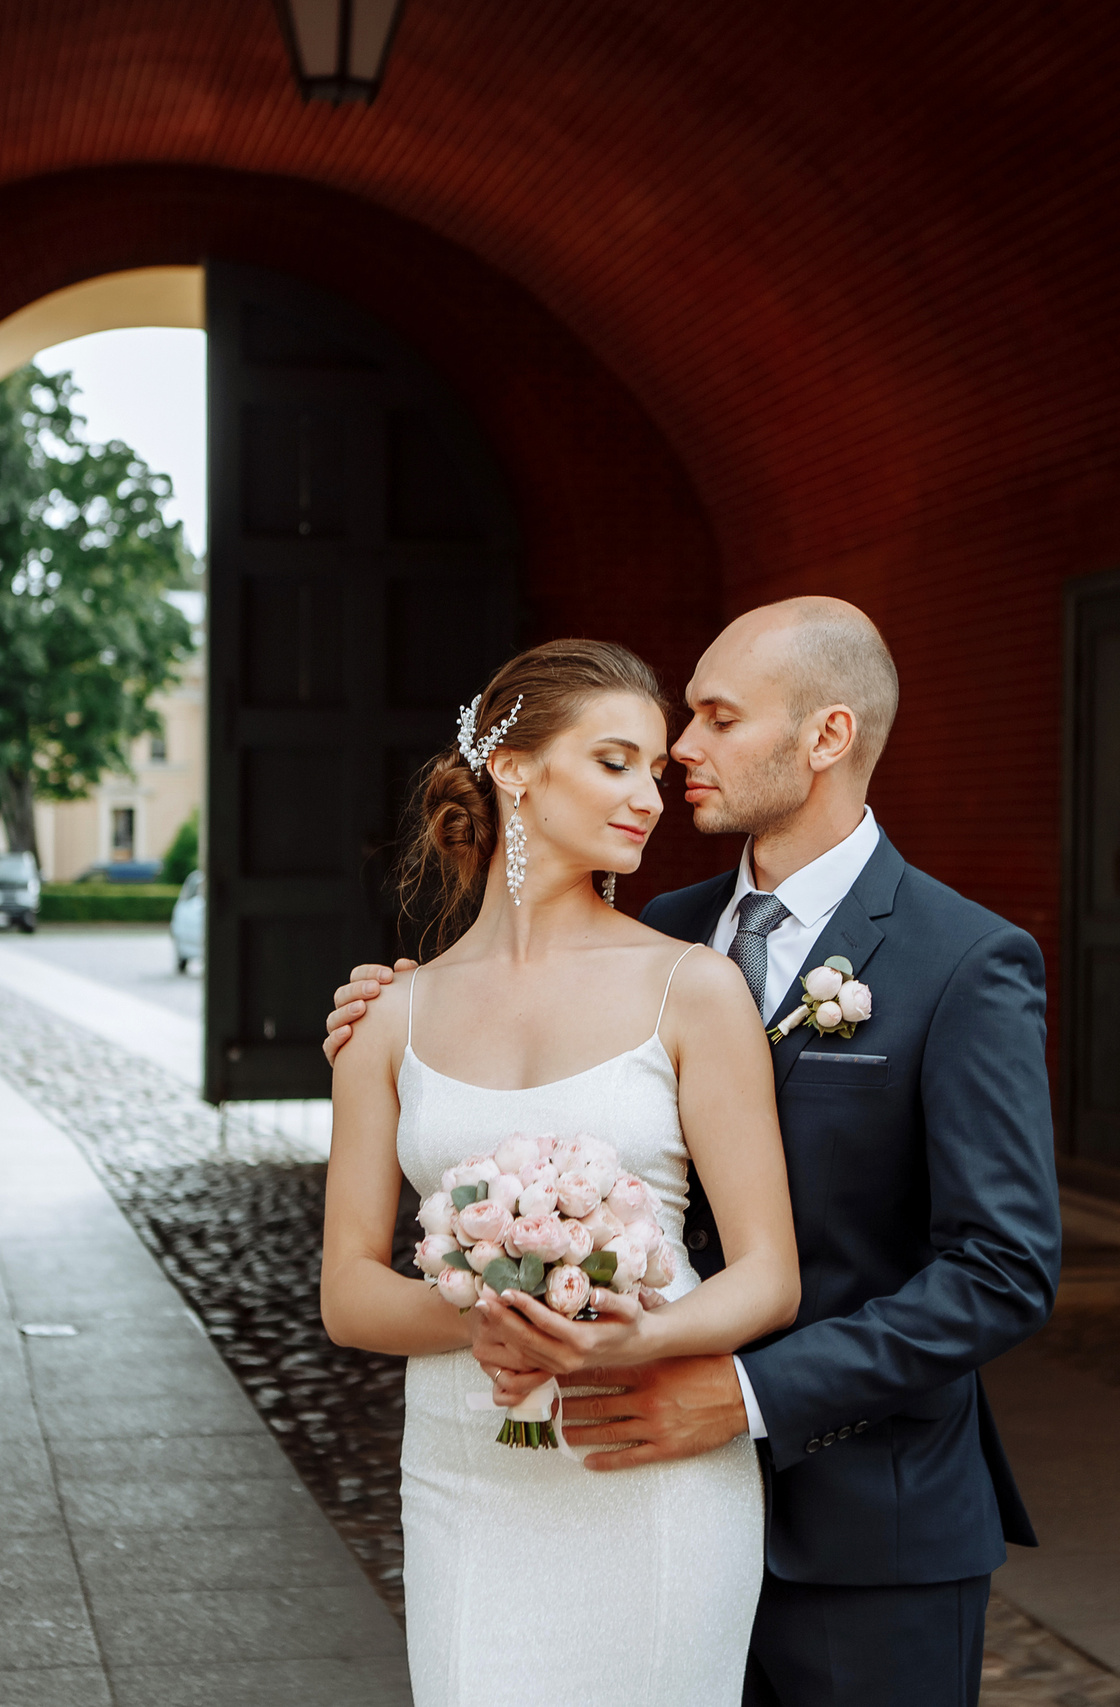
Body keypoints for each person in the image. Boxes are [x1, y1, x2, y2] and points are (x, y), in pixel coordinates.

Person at [326, 598, 1063, 1707]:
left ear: (824, 738)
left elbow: (1001, 1270)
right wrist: (396, 1015)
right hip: (587, 1471)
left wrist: (744, 1393)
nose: (680, 753)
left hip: (864, 1523)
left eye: (715, 719)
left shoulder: (963, 960)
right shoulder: (665, 929)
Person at [317, 638, 803, 1707]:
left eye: (654, 774)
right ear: (514, 768)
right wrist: (481, 1324)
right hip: (467, 1474)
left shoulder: (694, 989)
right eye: (614, 762)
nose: (649, 799)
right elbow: (348, 1293)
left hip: (650, 1467)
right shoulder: (388, 1017)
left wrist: (628, 1336)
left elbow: (769, 1274)